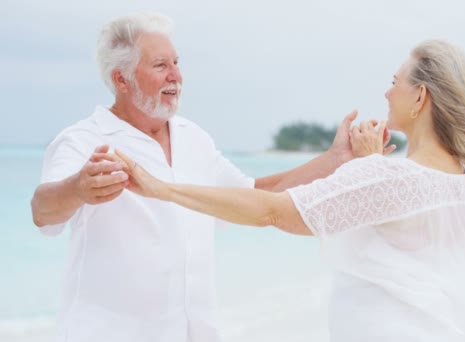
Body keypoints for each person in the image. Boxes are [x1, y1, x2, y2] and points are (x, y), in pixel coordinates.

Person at [29, 12, 393, 342]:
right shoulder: (84, 139)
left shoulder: (193, 138)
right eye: (160, 66)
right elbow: (42, 210)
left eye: (176, 63)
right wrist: (78, 187)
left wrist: (334, 159)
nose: (176, 76)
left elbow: (257, 196)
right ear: (121, 79)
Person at [111, 39, 465, 341]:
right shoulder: (456, 178)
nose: (386, 93)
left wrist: (163, 189)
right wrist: (365, 164)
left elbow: (272, 211)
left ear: (420, 97)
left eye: (395, 82)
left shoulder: (390, 178)